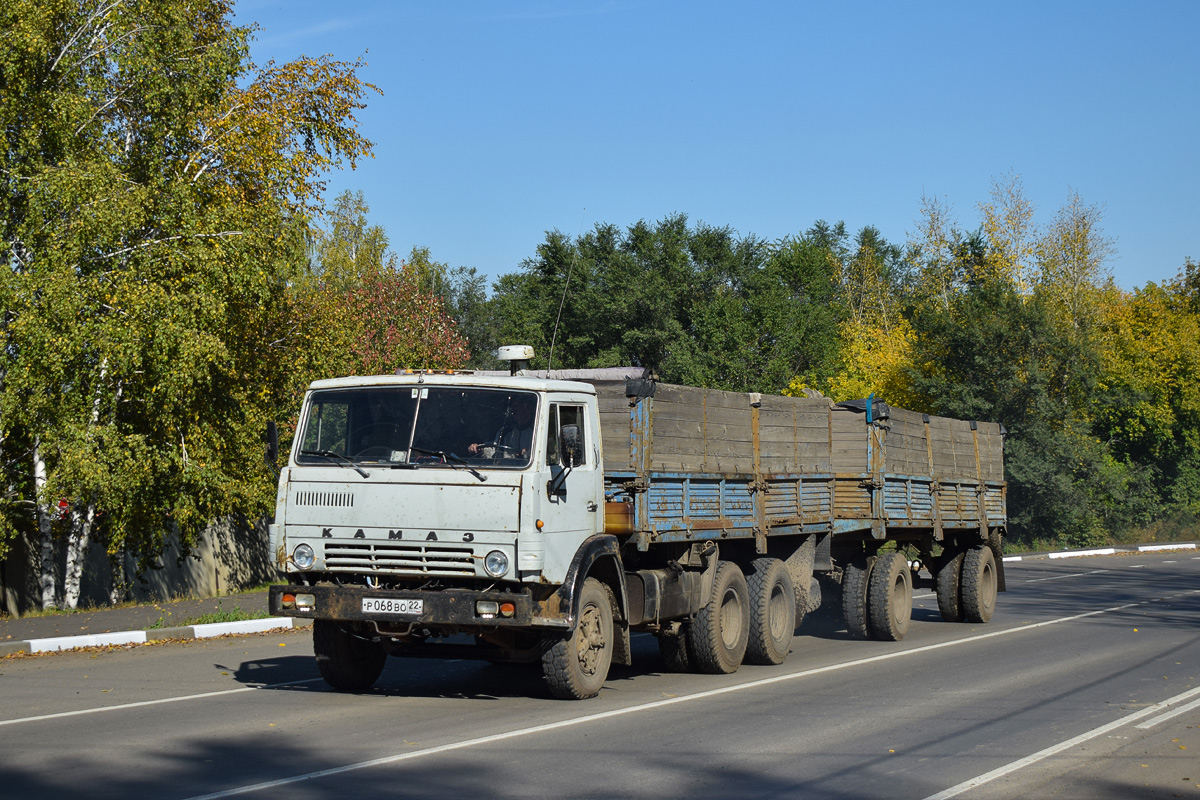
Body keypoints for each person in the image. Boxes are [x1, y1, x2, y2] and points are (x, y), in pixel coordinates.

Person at [468, 396, 536, 459]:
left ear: (528, 408)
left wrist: (528, 453)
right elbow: (494, 451)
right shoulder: (505, 432)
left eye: (517, 406)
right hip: (505, 468)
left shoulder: (536, 432)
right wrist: (479, 449)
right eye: (513, 406)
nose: (513, 410)